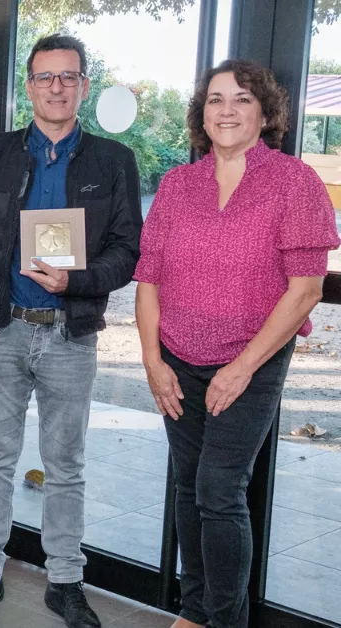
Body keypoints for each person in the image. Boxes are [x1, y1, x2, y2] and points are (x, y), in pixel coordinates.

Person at [0, 34, 141, 628]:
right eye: (45, 77)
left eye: (68, 77)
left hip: (69, 332)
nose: (57, 87)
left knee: (66, 463)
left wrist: (76, 280)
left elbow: (128, 251)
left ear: (83, 84)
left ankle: (65, 581)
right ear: (29, 86)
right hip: (1, 328)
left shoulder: (113, 161)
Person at [134, 60, 340, 628]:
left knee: (220, 491)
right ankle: (195, 612)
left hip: (253, 359)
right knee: (188, 481)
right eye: (216, 99)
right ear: (202, 114)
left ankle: (226, 620)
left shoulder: (294, 182)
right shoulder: (178, 185)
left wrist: (243, 366)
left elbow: (305, 291)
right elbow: (148, 278)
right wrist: (152, 360)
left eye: (242, 99)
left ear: (266, 113)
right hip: (176, 356)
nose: (227, 110)